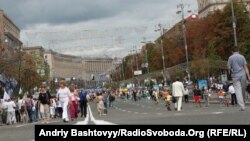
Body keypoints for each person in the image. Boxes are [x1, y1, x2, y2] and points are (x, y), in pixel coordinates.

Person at [227, 47, 250, 111]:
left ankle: (242, 106)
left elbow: (228, 67)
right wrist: (248, 76)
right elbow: (245, 67)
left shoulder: (230, 58)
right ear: (238, 51)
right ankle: (244, 101)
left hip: (235, 76)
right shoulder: (242, 57)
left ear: (232, 51)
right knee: (243, 89)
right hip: (243, 75)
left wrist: (230, 71)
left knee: (238, 91)